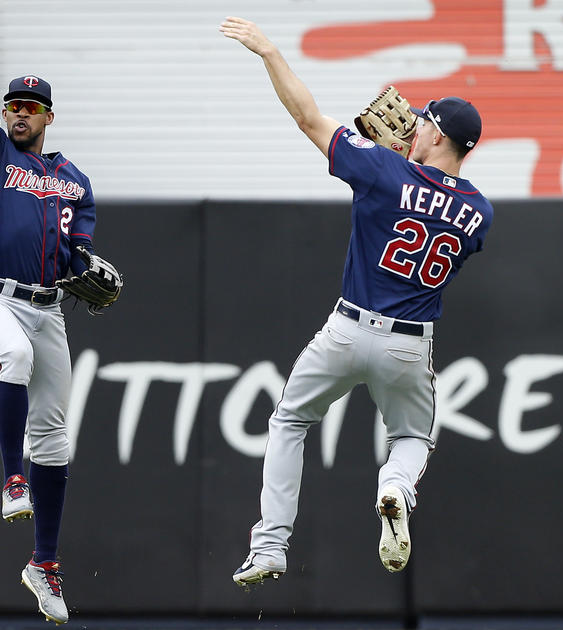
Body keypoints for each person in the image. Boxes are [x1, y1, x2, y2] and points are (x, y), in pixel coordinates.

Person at [219, 17, 492, 586]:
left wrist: (269, 51)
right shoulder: (480, 212)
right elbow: (434, 204)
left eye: (420, 122)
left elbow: (307, 117)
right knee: (413, 438)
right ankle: (394, 486)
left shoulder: (382, 170)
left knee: (290, 421)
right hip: (409, 346)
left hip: (345, 331)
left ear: (438, 135)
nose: (409, 125)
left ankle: (270, 546)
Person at [0, 0, 118, 623]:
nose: (18, 113)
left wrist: (87, 267)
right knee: (12, 356)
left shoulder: (75, 179)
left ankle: (44, 564)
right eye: (13, 105)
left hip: (50, 313)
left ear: (48, 116)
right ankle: (10, 478)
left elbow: (78, 251)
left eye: (30, 107)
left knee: (56, 438)